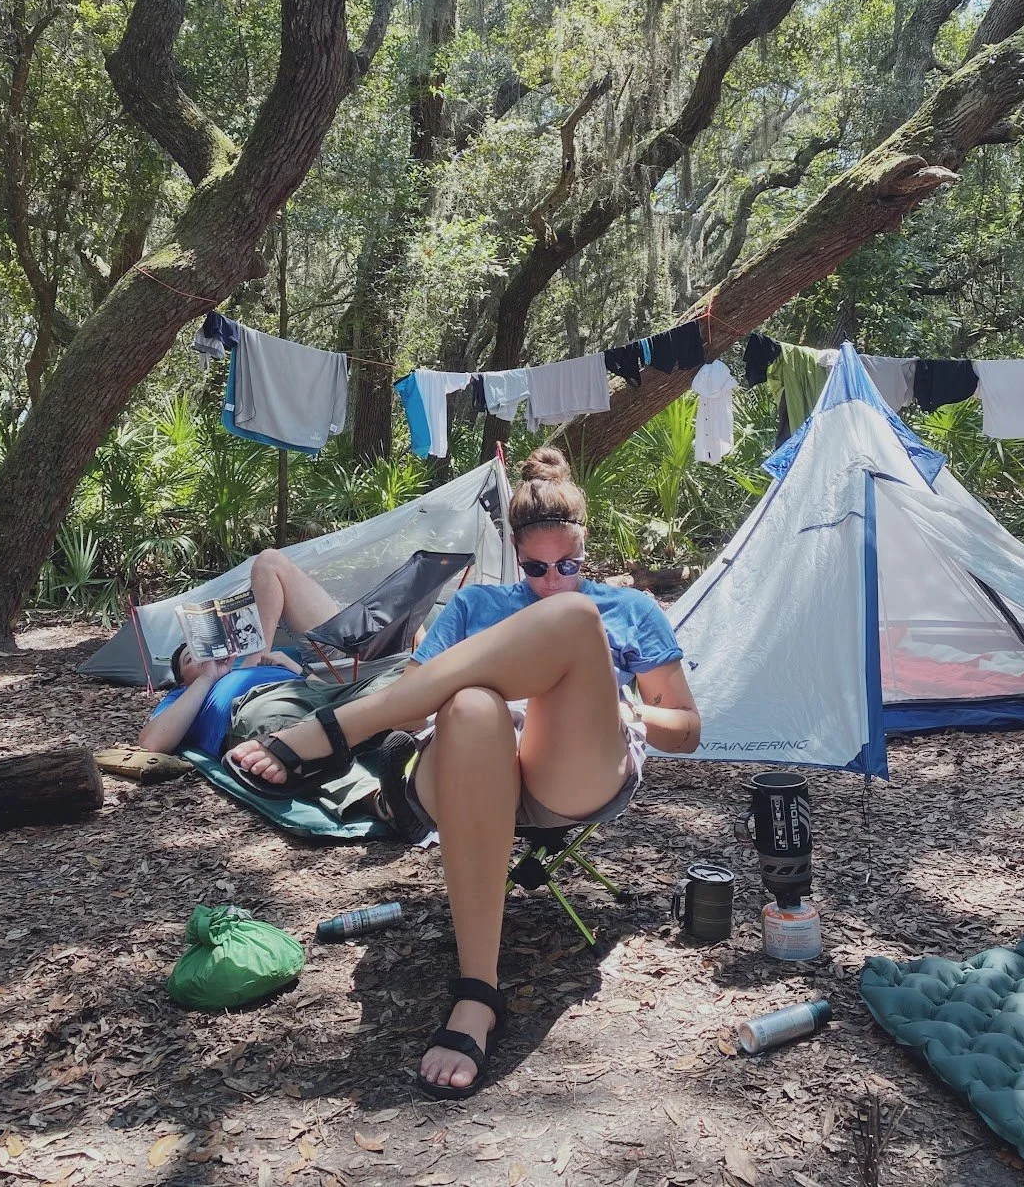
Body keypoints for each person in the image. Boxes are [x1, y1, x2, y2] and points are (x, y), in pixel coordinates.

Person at [226, 447, 701, 1100]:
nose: (554, 578)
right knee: (474, 703)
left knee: (573, 619)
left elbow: (688, 730)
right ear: (516, 554)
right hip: (466, 765)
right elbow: (418, 693)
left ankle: (335, 733)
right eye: (536, 568)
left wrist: (622, 705)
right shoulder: (478, 605)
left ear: (587, 549)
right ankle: (478, 991)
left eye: (570, 565)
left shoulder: (627, 609)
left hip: (572, 769)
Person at [138, 548, 345, 756]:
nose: (204, 657)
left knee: (269, 561)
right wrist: (208, 677)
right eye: (192, 657)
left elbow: (331, 693)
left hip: (312, 692)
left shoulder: (248, 662)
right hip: (266, 709)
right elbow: (151, 743)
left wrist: (298, 671)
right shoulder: (182, 696)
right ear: (183, 682)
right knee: (317, 724)